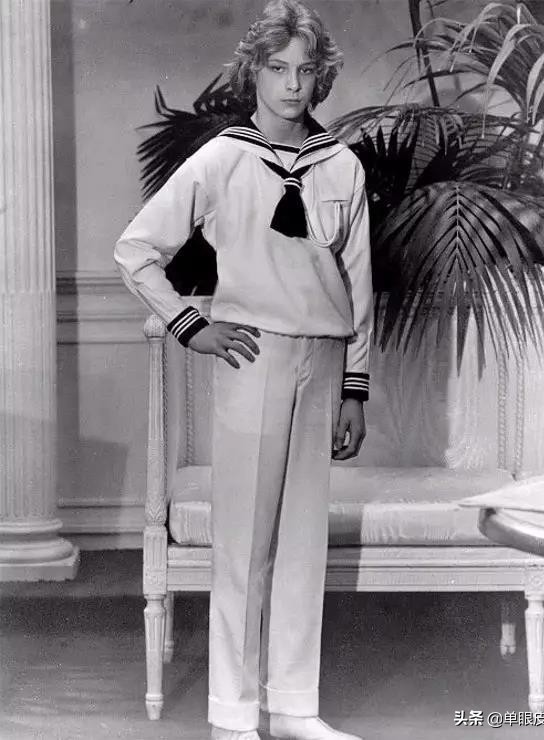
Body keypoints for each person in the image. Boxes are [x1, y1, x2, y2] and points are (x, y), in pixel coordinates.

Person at [114, 1, 373, 738]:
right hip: (252, 357)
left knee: (302, 547)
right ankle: (233, 714)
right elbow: (136, 250)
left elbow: (359, 288)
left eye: (305, 71)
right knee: (243, 545)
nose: (292, 85)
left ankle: (294, 708)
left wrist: (355, 388)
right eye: (277, 68)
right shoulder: (223, 158)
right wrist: (191, 325)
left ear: (321, 78)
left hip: (323, 363)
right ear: (253, 72)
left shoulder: (342, 165)